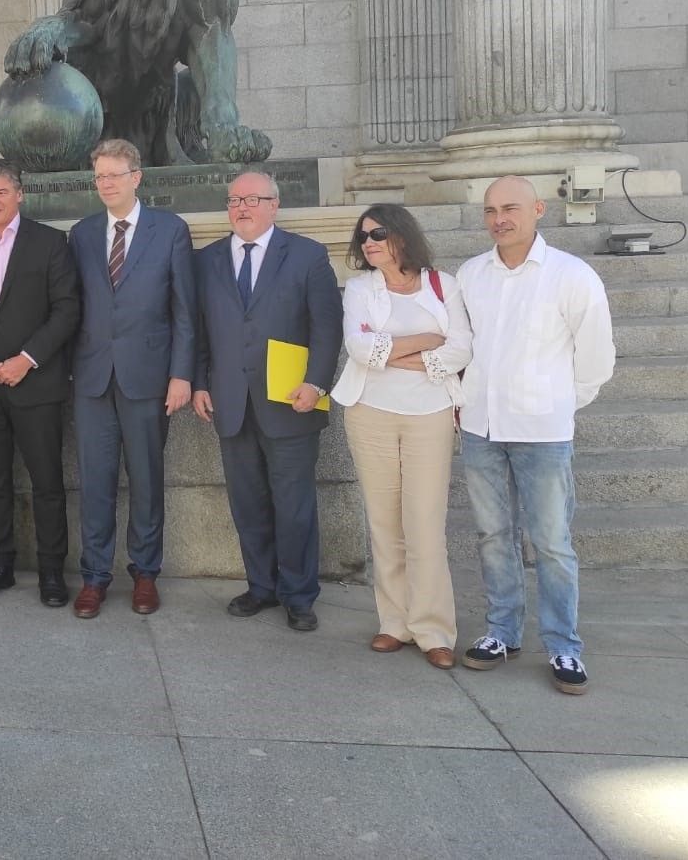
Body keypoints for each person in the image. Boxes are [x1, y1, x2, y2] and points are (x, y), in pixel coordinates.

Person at [456, 175, 615, 694]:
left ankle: (564, 646)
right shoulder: (470, 275)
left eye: (510, 208)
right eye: (490, 210)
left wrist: (559, 406)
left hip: (543, 432)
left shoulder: (572, 276)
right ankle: (502, 632)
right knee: (492, 536)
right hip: (480, 427)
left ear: (538, 209)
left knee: (550, 542)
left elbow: (595, 360)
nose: (499, 219)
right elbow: (463, 347)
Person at [193, 170, 343, 631]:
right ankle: (261, 586)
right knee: (248, 502)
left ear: (274, 205)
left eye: (253, 199)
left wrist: (316, 384)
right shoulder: (207, 261)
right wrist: (200, 383)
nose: (242, 207)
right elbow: (198, 330)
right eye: (235, 199)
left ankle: (299, 594)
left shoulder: (307, 256)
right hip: (231, 404)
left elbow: (326, 328)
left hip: (290, 402)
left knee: (294, 504)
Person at [331, 204, 472, 669]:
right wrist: (426, 343)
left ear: (404, 236)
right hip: (369, 412)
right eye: (363, 236)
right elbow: (358, 346)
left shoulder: (442, 285)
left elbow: (461, 347)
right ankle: (393, 623)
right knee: (385, 521)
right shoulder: (359, 288)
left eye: (378, 233)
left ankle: (433, 629)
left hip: (429, 413)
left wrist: (391, 353)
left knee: (425, 523)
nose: (369, 242)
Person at [67, 140, 195, 619]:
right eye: (99, 176)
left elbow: (185, 310)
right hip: (93, 379)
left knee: (146, 480)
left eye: (114, 175)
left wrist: (181, 373)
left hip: (149, 378)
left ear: (136, 177)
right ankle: (95, 576)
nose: (105, 184)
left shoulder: (170, 231)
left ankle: (145, 573)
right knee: (95, 483)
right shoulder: (81, 234)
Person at [0, 159, 81, 606]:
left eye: (1, 192)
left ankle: (50, 572)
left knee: (46, 482)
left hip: (36, 385)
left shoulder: (50, 242)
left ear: (19, 194)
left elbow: (67, 309)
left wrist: (28, 359)